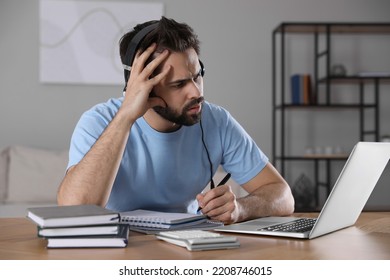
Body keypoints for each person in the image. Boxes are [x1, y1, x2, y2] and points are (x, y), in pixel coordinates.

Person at [57, 16, 294, 224]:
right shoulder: (98, 122)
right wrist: (126, 118)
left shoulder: (216, 121)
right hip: (118, 250)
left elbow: (283, 196)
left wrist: (242, 208)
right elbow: (74, 210)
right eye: (179, 84)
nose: (196, 92)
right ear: (144, 88)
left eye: (197, 76)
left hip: (187, 246)